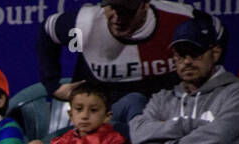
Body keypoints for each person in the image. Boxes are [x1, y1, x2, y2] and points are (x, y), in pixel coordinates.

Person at [37, 1, 225, 131]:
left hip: (165, 118)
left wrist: (203, 80)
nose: (117, 17)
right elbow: (48, 31)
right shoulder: (84, 25)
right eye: (111, 7)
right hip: (100, 122)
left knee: (136, 103)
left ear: (145, 4)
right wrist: (53, 85)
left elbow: (219, 32)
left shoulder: (178, 19)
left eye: (126, 11)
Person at [130, 17, 239, 144]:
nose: (187, 61)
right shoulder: (163, 98)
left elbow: (221, 138)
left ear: (215, 53)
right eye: (180, 55)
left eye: (195, 53)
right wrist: (189, 125)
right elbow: (139, 138)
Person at [11, 82, 134, 144]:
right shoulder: (62, 141)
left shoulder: (114, 141)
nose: (85, 115)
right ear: (71, 115)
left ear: (107, 116)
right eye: (79, 109)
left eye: (94, 110)